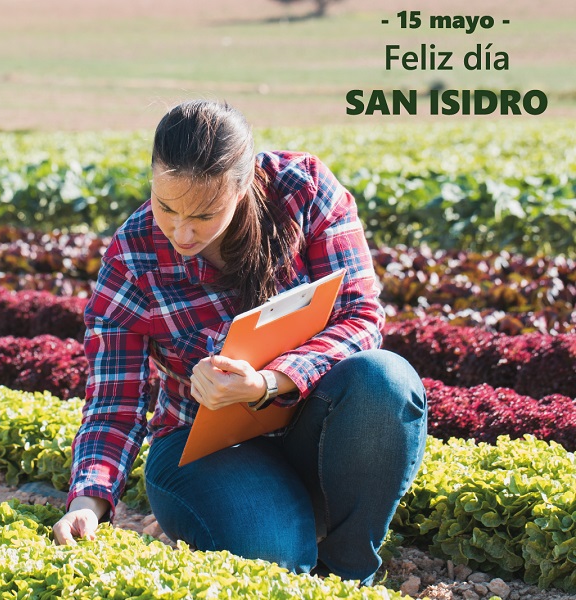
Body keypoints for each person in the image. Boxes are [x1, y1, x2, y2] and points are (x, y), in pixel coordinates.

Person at [51, 99, 427, 586]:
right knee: (275, 557)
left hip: (313, 424)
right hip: (201, 447)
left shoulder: (303, 191)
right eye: (166, 207)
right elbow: (113, 400)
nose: (182, 231)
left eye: (205, 215)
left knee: (385, 379)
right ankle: (285, 525)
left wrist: (270, 382)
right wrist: (89, 499)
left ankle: (349, 571)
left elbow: (361, 315)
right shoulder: (133, 255)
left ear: (244, 183)